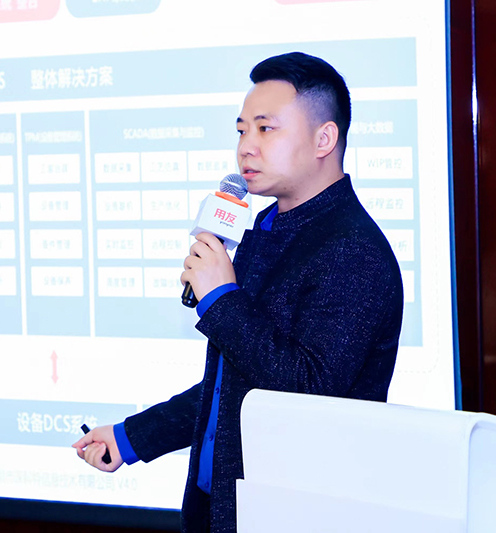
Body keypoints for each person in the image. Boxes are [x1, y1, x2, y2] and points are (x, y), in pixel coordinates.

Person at [73, 51, 404, 533]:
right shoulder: (265, 229)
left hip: (295, 516)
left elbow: (308, 390)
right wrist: (131, 439)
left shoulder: (353, 250)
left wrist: (222, 300)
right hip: (222, 510)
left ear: (324, 139)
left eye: (265, 129)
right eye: (241, 130)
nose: (246, 147)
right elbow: (234, 386)